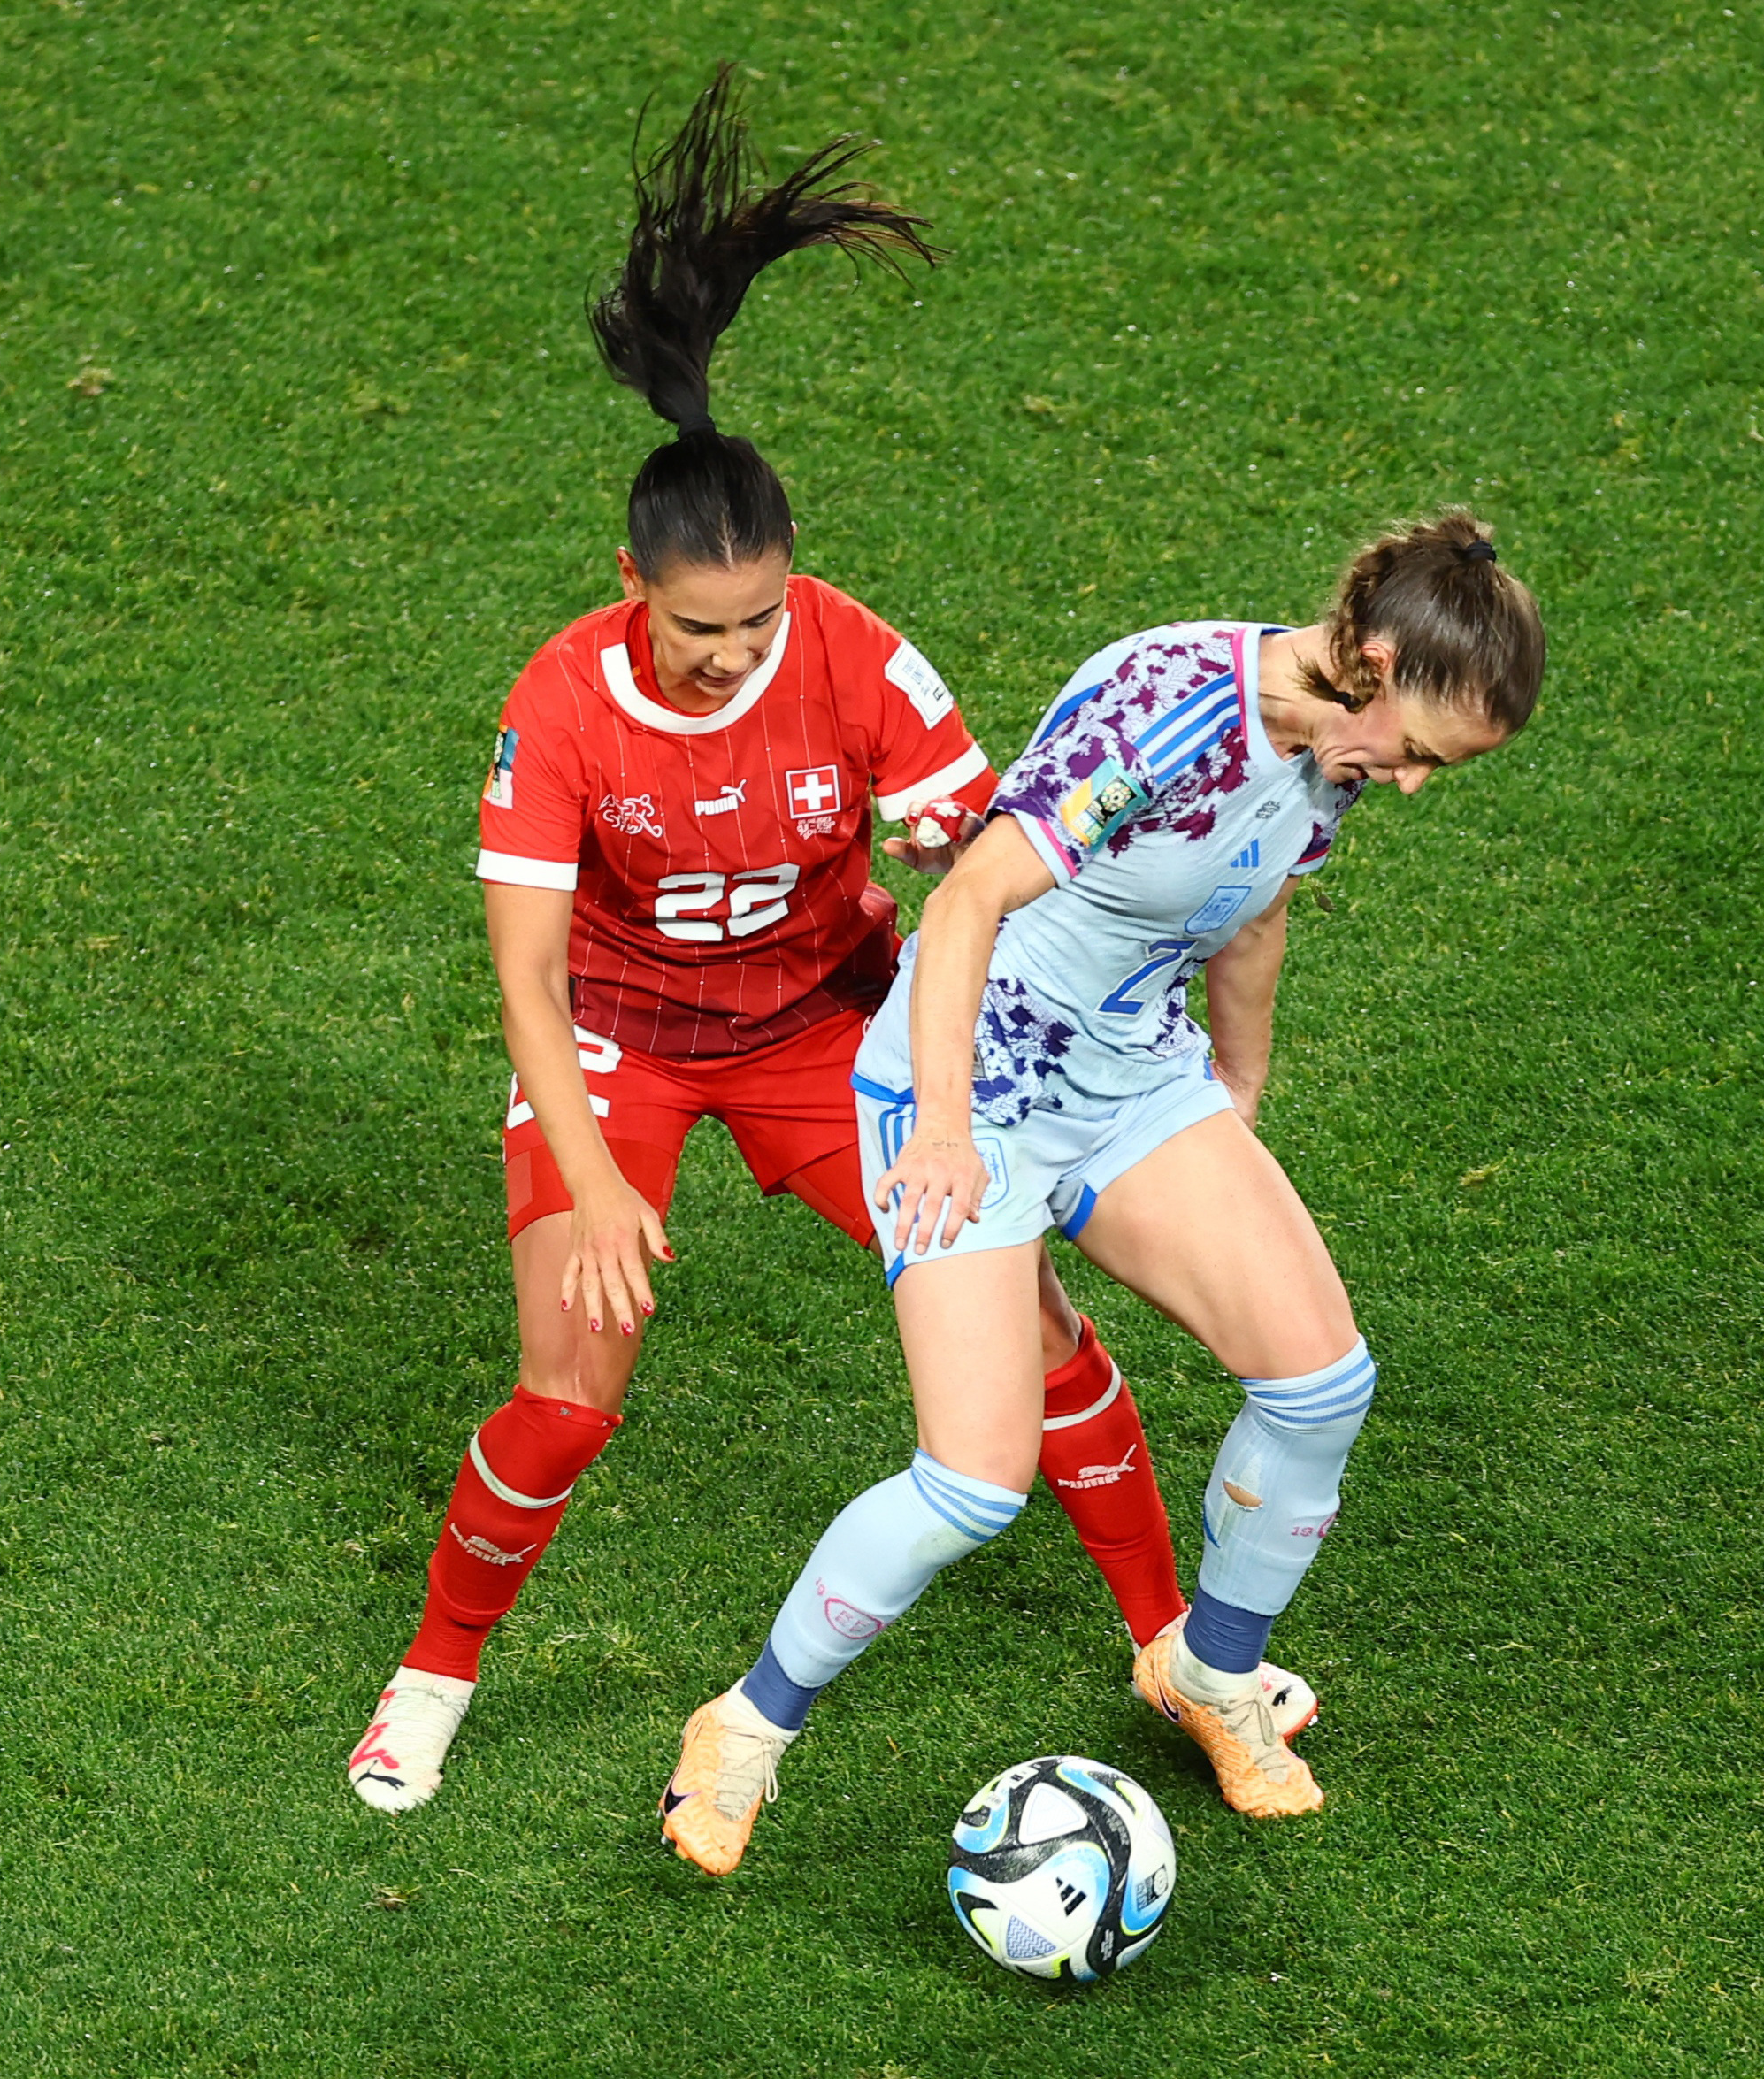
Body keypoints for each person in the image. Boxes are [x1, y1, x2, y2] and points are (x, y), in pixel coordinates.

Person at [348, 67, 1309, 1814]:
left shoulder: (857, 660)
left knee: (1027, 1319)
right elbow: (526, 974)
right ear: (630, 584)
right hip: (620, 1050)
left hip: (822, 1033)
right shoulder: (559, 703)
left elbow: (980, 860)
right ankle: (435, 1668)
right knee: (569, 1382)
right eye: (701, 627)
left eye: (761, 617)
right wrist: (591, 1163)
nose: (733, 655)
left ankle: (1177, 1645)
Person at [656, 510, 1547, 1874]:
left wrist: (1235, 1094)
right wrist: (943, 1135)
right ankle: (744, 1728)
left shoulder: (1333, 740)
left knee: (1319, 1381)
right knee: (972, 1479)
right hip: (969, 1091)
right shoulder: (1168, 710)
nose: (1412, 786)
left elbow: (1255, 906)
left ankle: (1210, 1671)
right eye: (1421, 755)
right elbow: (966, 905)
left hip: (1132, 1086)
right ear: (1371, 659)